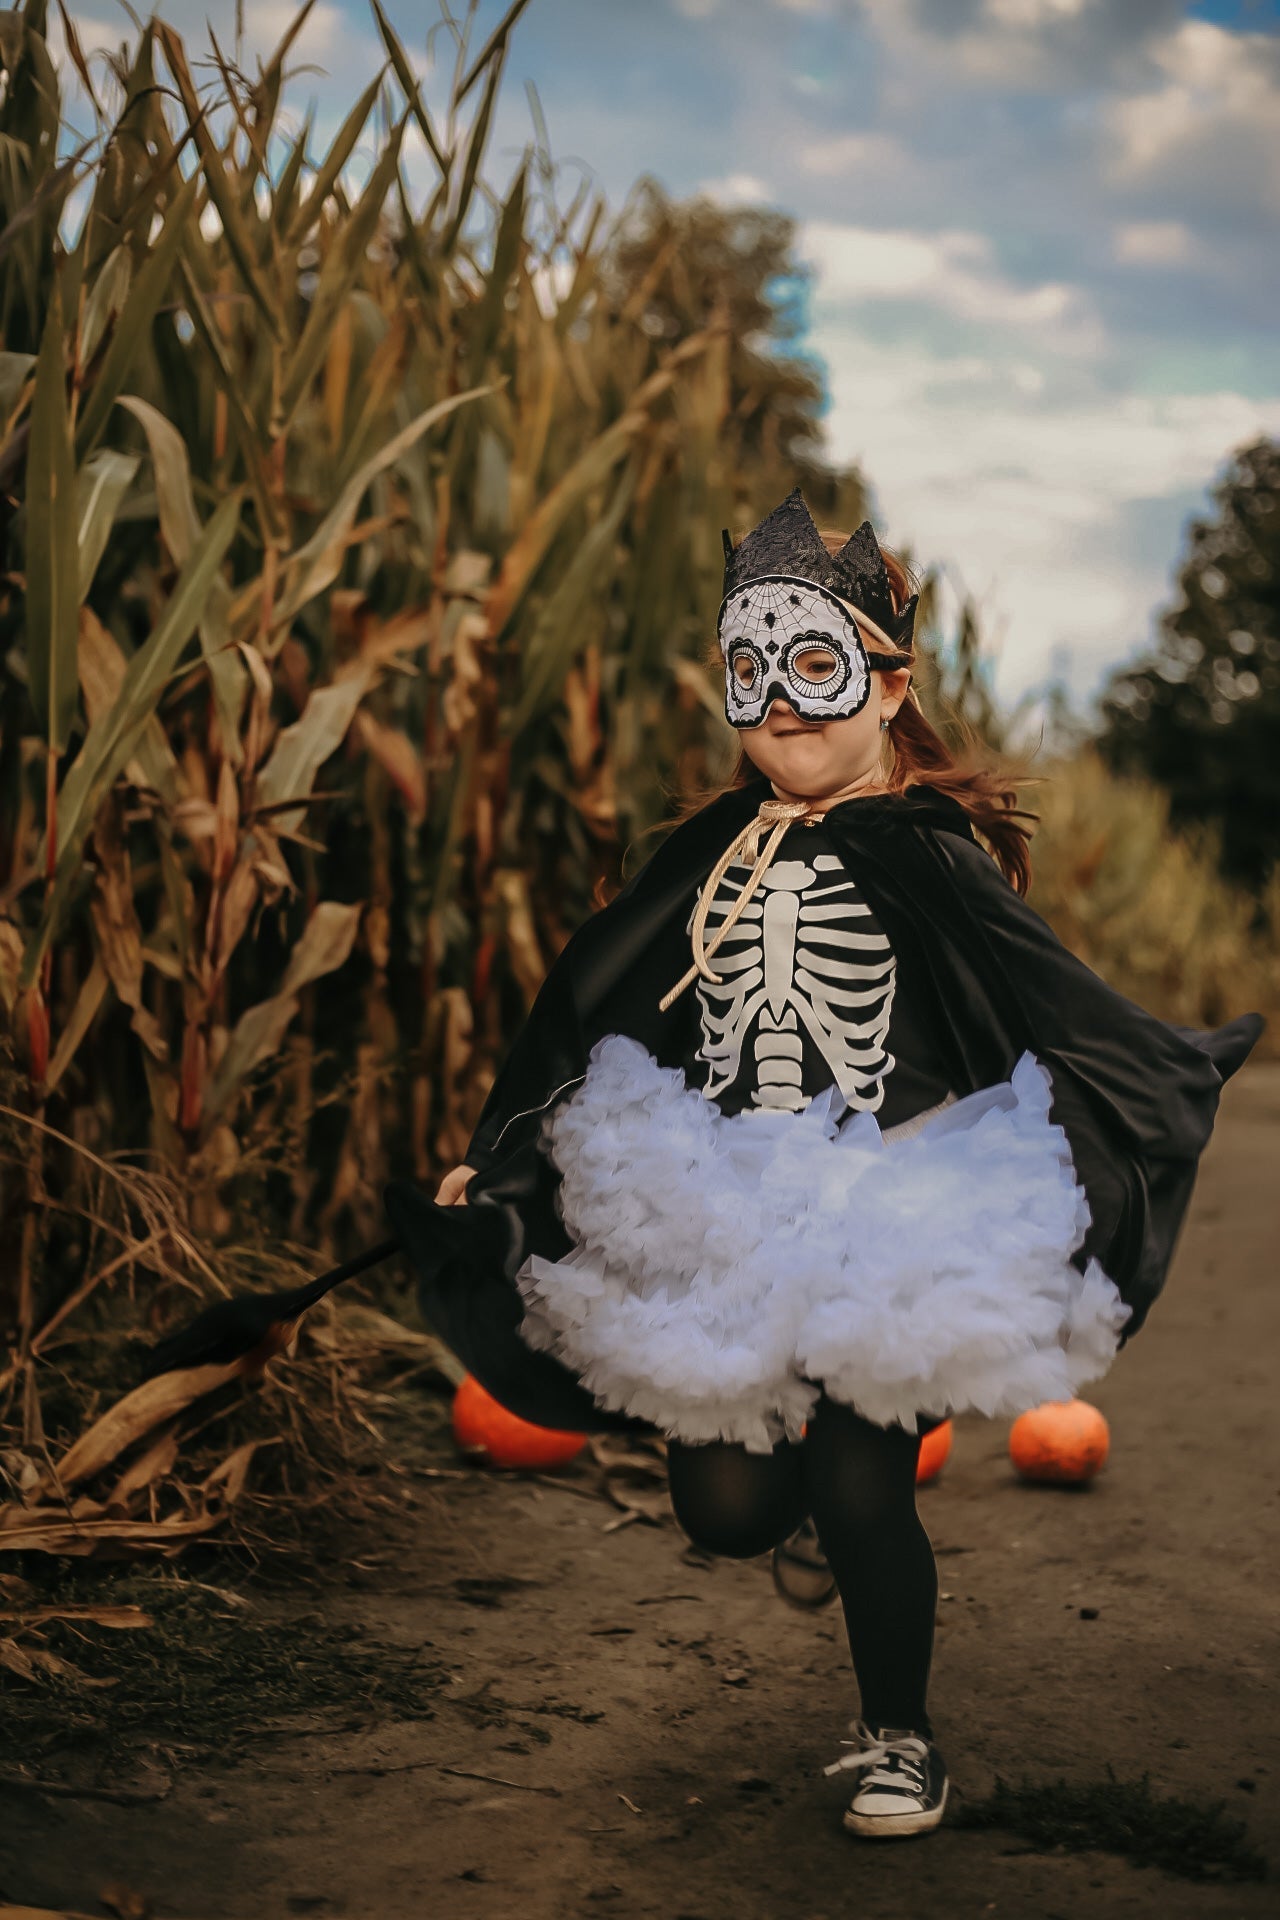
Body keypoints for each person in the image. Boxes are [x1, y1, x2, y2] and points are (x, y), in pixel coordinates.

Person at [387, 489, 1261, 1841]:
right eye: (751, 673)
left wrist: (1175, 1060)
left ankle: (899, 1737)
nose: (779, 705)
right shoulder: (706, 859)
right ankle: (805, 1522)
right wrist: (497, 1169)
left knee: (864, 1482)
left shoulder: (925, 851)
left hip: (903, 1216)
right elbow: (591, 1018)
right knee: (726, 1505)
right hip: (720, 1205)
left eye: (812, 665)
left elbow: (1048, 999)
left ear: (888, 681)